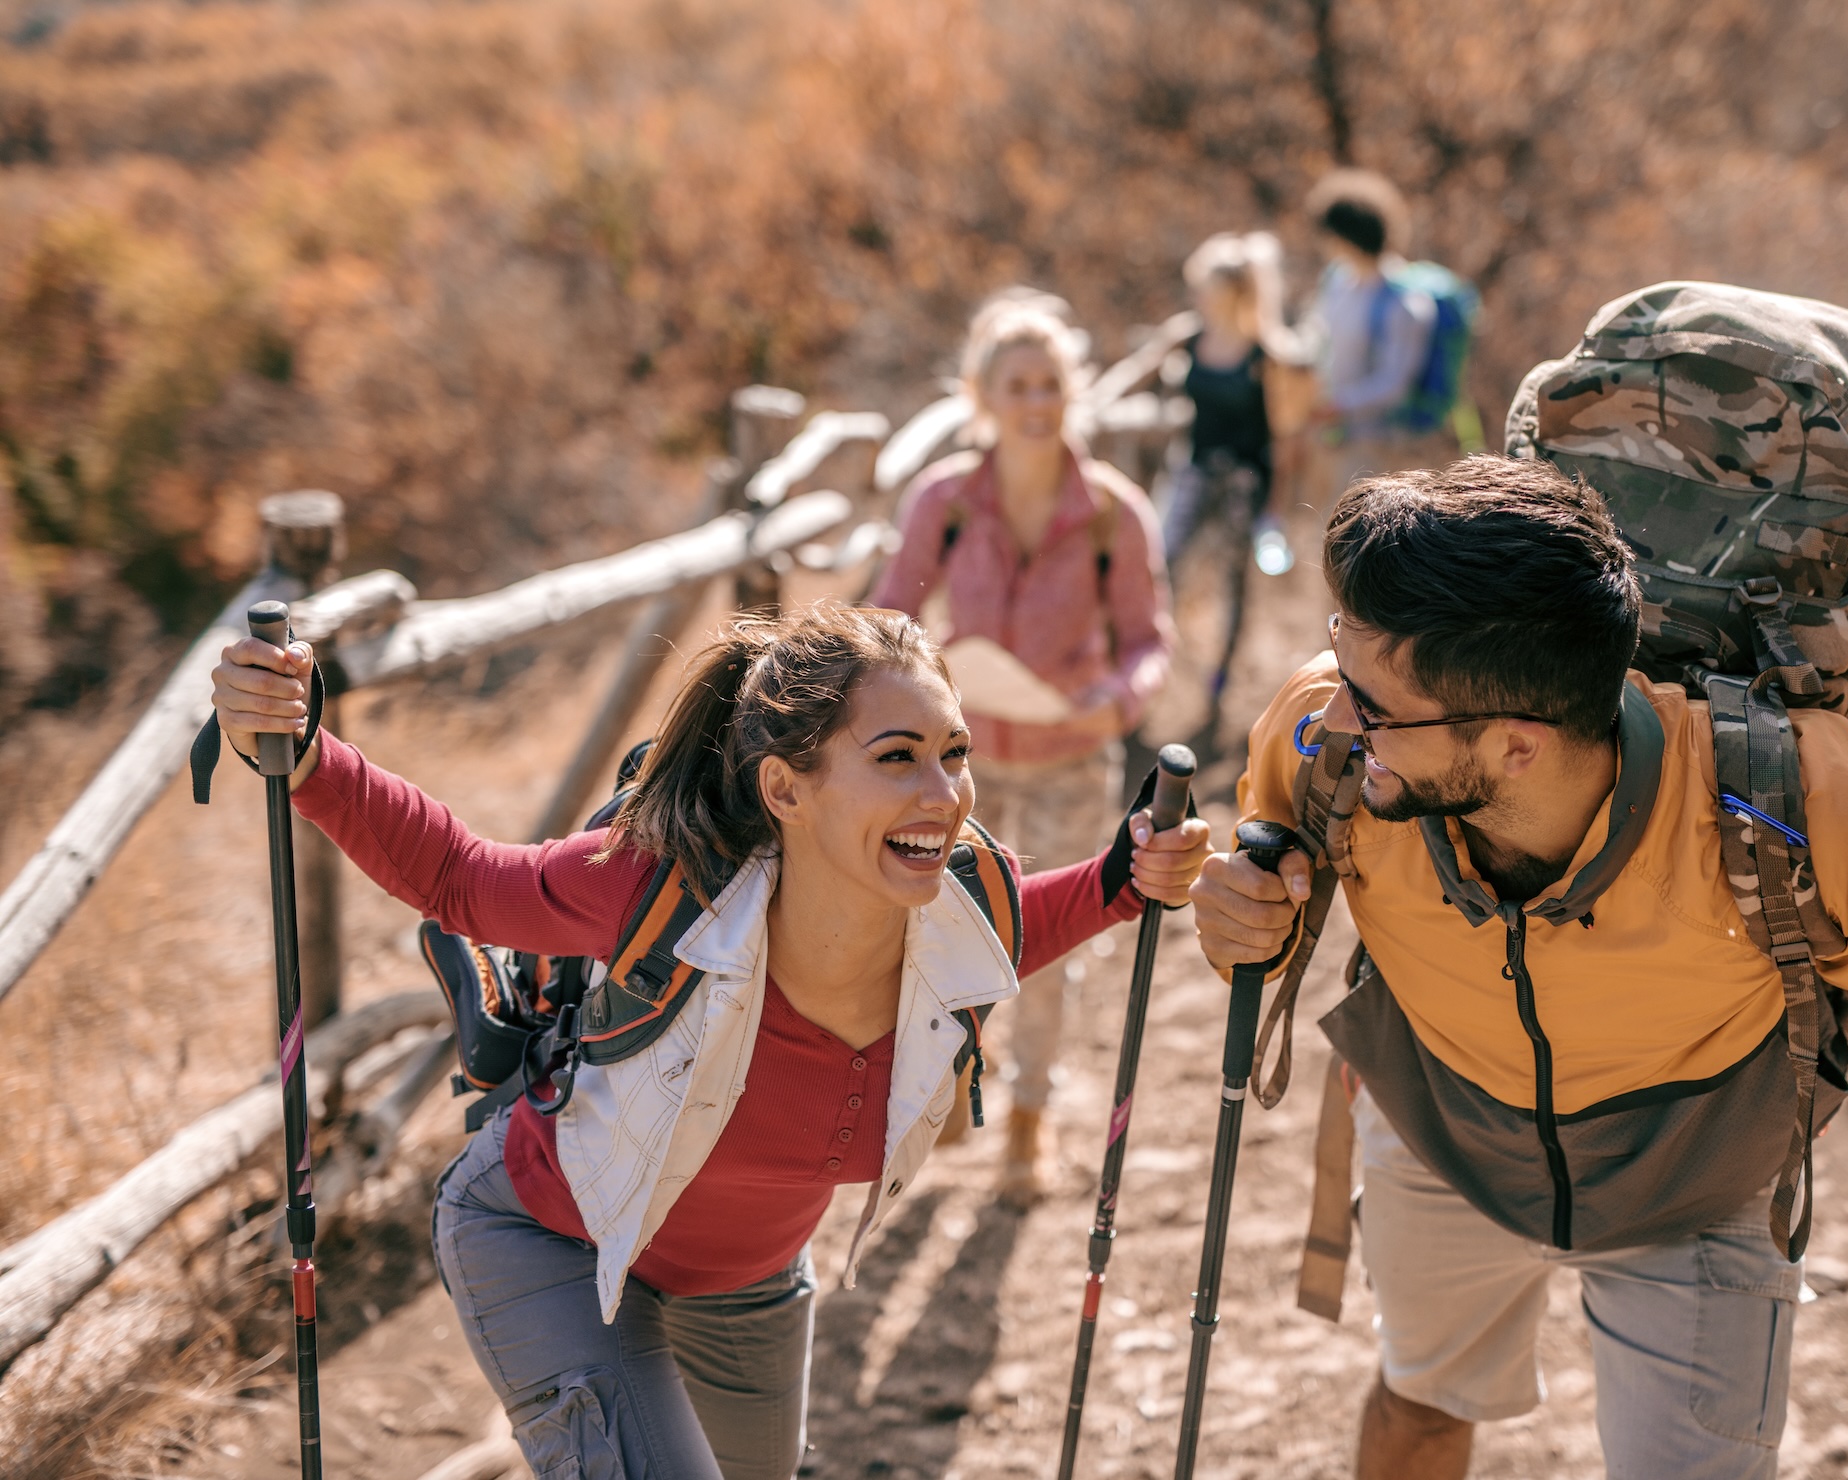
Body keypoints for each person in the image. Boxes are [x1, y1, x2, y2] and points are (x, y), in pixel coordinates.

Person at [208, 602, 1211, 1480]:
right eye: (897, 757)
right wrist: (301, 749)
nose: (943, 796)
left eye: (954, 753)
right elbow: (462, 876)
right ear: (785, 787)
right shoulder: (662, 888)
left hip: (751, 1290)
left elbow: (1029, 922)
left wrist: (1126, 877)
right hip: (550, 1240)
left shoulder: (959, 911)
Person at [1188, 457, 1848, 1480]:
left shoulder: (1790, 794)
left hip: (1700, 1183)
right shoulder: (1333, 741)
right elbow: (1273, 861)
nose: (1335, 718)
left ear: (1518, 746)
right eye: (1337, 662)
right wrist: (1244, 916)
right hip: (1441, 1139)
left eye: (1372, 701)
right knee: (1418, 1410)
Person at [871, 290, 1176, 1202]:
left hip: (1071, 761)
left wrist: (1114, 703)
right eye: (1017, 384)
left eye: (1050, 383)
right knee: (930, 930)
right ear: (982, 395)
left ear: (1073, 391)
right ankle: (960, 1082)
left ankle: (1028, 1123)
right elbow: (889, 614)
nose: (1036, 400)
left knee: (1041, 946)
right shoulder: (944, 502)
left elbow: (1150, 641)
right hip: (948, 767)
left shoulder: (1113, 514)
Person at [1158, 230, 1313, 580]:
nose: (1199, 296)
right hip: (1195, 466)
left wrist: (1275, 509)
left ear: (1232, 292)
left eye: (1207, 288)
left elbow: (1286, 439)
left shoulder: (1269, 357)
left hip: (1246, 478)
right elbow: (1135, 375)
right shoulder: (1188, 336)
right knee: (1164, 557)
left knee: (1234, 574)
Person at [1305, 169, 1441, 503]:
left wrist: (1339, 404)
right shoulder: (1338, 282)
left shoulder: (1405, 303)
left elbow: (1395, 383)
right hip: (1333, 435)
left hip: (1378, 446)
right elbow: (1316, 338)